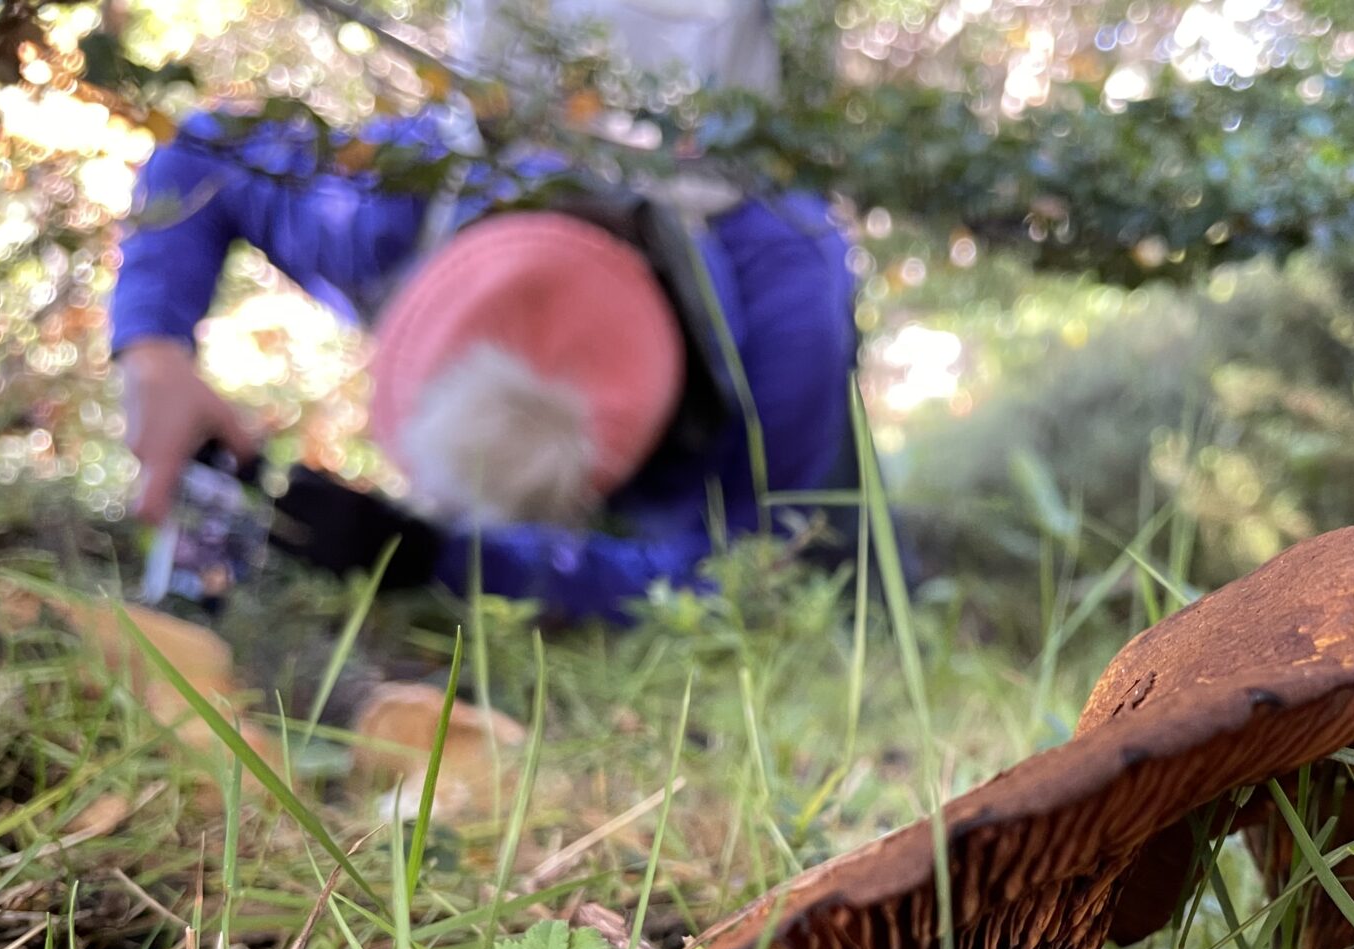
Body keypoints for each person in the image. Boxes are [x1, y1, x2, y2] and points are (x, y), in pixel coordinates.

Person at [113, 84, 858, 624]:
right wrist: (153, 354)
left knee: (844, 565)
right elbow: (199, 154)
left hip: (766, 414)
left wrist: (440, 559)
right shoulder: (394, 212)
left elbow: (729, 574)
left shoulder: (788, 345)